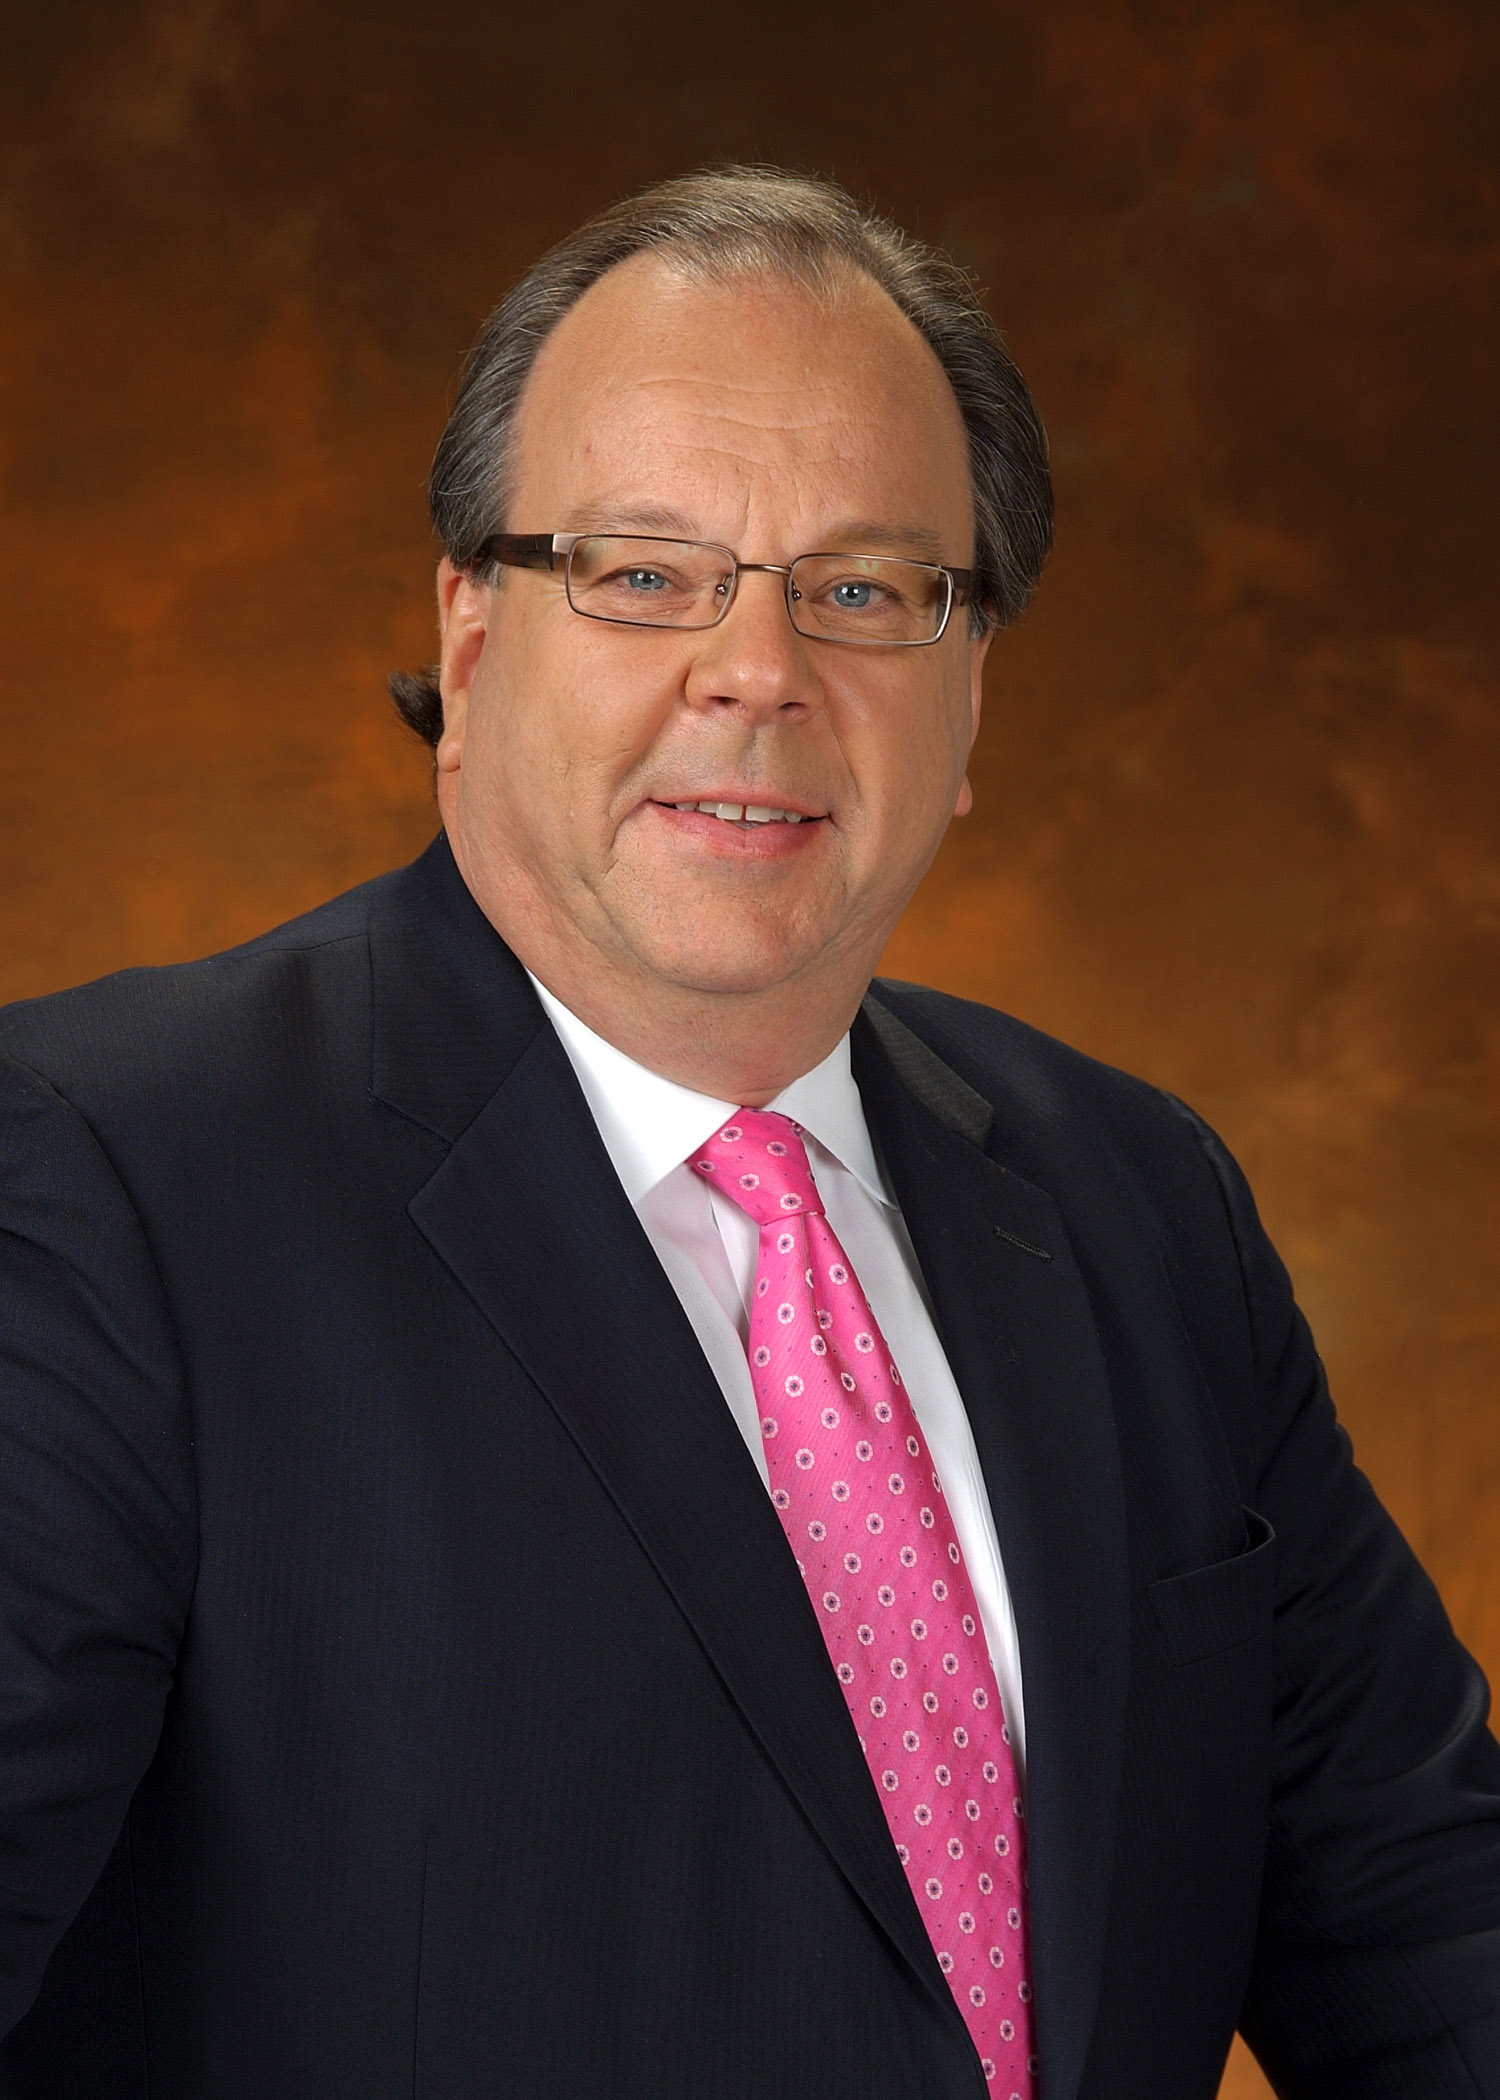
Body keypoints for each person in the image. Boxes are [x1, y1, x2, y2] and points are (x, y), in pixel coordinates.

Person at [0, 166, 1496, 2100]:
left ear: (972, 692)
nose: (762, 672)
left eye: (864, 590)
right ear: (472, 639)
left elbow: (1428, 1926)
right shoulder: (100, 1184)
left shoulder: (1143, 1200)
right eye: (644, 573)